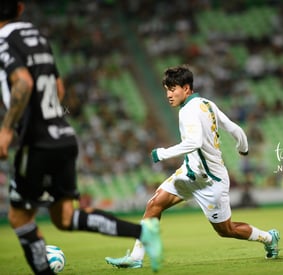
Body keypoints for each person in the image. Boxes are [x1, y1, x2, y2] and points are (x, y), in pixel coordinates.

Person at [0, 1, 162, 274]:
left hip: (36, 141)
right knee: (64, 217)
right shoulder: (37, 36)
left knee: (19, 217)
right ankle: (144, 232)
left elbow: (24, 82)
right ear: (20, 8)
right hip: (63, 135)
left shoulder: (3, 42)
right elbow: (59, 88)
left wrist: (6, 130)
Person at [105, 65, 280, 268]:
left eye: (173, 89)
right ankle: (136, 257)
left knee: (226, 230)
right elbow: (235, 129)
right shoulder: (207, 104)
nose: (168, 95)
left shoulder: (188, 111)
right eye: (166, 90)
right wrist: (243, 149)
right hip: (189, 175)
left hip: (211, 182)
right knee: (154, 205)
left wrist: (161, 153)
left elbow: (194, 142)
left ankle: (268, 238)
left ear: (186, 88)